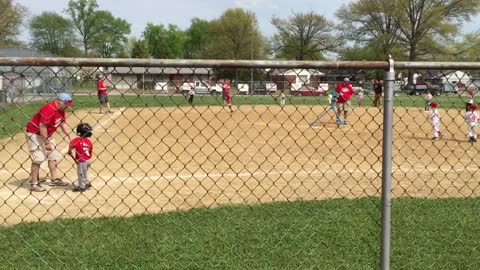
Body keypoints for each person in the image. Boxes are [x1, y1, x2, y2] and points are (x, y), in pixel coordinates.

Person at [25, 93, 73, 192]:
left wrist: (68, 134)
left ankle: (54, 179)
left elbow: (62, 122)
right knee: (38, 158)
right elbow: (42, 126)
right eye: (66, 104)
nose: (67, 107)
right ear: (60, 101)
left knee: (53, 155)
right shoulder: (49, 109)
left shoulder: (61, 109)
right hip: (35, 133)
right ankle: (34, 184)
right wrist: (46, 142)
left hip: (48, 134)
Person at [68, 123, 93, 192]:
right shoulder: (89, 141)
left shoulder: (77, 140)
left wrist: (69, 151)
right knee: (85, 171)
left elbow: (71, 144)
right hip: (88, 160)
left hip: (82, 161)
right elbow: (90, 151)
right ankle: (86, 183)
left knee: (80, 173)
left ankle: (82, 186)